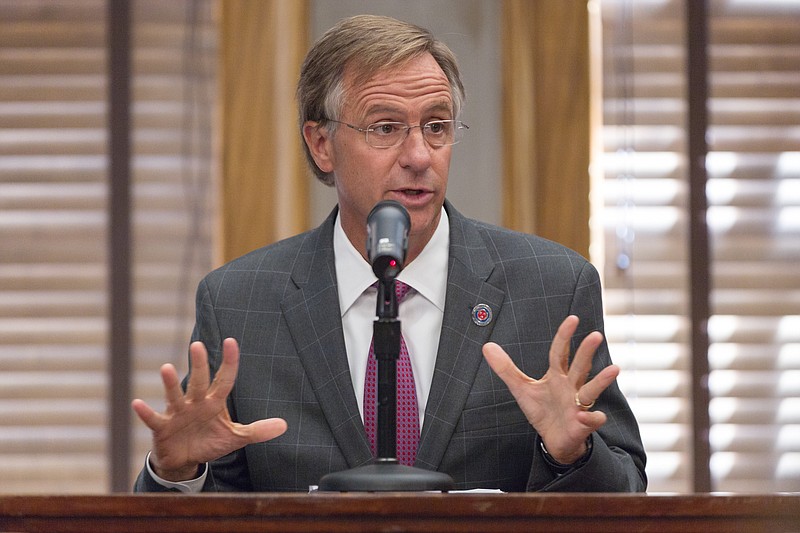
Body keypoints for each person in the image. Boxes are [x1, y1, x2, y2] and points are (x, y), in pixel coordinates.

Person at [132, 14, 646, 493]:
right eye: (385, 128)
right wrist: (179, 471)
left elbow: (628, 489)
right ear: (321, 145)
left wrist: (571, 454)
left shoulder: (551, 287)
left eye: (437, 126)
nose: (419, 156)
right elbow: (208, 511)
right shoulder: (240, 302)